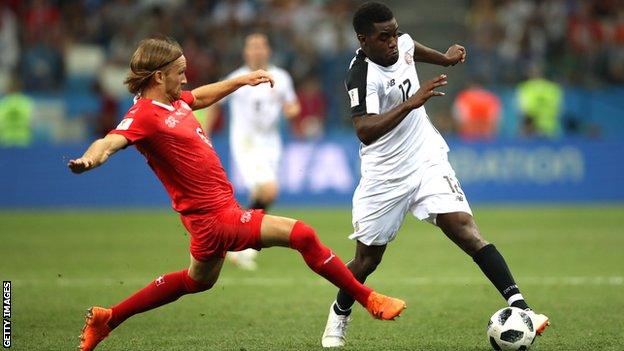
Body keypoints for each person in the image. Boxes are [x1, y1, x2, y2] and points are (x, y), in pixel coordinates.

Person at [68, 38, 406, 351]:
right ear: (158, 76)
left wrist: (241, 81)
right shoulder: (143, 114)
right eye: (180, 73)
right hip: (215, 218)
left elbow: (199, 97)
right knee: (302, 234)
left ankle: (108, 318)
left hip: (207, 218)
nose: (185, 80)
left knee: (197, 281)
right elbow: (109, 141)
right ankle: (368, 299)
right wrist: (90, 159)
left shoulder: (175, 103)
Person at [320, 3, 550, 348]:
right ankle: (339, 313)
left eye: (394, 33)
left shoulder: (404, 43)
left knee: (464, 228)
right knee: (367, 260)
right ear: (363, 39)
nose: (393, 42)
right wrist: (411, 103)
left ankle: (521, 307)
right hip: (385, 174)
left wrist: (445, 58)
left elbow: (413, 49)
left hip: (427, 158)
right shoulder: (361, 74)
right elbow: (364, 130)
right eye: (384, 37)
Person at [211, 33, 301, 270]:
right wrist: (206, 134)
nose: (257, 51)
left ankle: (238, 241)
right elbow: (214, 104)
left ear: (268, 50)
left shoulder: (281, 77)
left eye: (261, 46)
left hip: (271, 143)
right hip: (246, 143)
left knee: (266, 194)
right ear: (246, 52)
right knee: (268, 190)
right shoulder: (236, 79)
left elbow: (291, 104)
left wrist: (292, 110)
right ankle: (243, 241)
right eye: (252, 46)